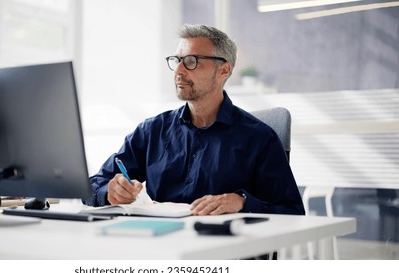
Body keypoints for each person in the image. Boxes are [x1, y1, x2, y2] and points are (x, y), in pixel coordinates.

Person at [88, 24, 305, 216]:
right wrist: (110, 192)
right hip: (159, 245)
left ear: (224, 70)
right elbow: (92, 185)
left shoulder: (259, 138)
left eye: (191, 61)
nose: (179, 71)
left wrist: (242, 202)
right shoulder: (152, 131)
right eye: (177, 61)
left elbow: (292, 211)